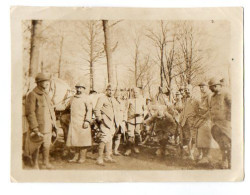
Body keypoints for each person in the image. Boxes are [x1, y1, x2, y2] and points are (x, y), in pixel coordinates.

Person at [25, 73, 57, 169]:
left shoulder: (46, 95)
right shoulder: (32, 94)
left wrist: (53, 124)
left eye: (47, 81)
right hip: (38, 127)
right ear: (38, 83)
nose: (47, 83)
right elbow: (30, 112)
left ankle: (45, 162)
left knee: (46, 145)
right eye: (44, 81)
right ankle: (35, 164)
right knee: (36, 145)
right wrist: (34, 128)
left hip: (48, 126)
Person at [66, 81, 92, 163]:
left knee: (83, 141)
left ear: (84, 89)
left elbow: (89, 110)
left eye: (81, 88)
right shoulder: (72, 98)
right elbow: (67, 108)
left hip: (83, 122)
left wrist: (87, 121)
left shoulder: (87, 98)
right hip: (74, 123)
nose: (79, 89)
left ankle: (82, 157)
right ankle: (75, 157)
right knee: (75, 140)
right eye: (77, 87)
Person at [208, 78, 231, 168]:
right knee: (221, 144)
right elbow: (211, 109)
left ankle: (230, 162)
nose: (210, 89)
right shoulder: (212, 97)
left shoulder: (226, 94)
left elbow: (233, 106)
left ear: (217, 86)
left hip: (225, 125)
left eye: (212, 87)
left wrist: (228, 120)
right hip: (216, 124)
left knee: (227, 144)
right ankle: (224, 161)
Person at [94, 84, 117, 166]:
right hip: (104, 121)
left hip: (112, 122)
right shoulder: (102, 98)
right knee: (104, 138)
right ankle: (99, 158)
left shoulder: (114, 100)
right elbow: (97, 109)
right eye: (109, 90)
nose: (111, 92)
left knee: (110, 138)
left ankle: (107, 156)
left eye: (113, 90)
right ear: (106, 90)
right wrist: (99, 118)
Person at [124, 87, 146, 156]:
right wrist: (125, 119)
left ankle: (136, 147)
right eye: (134, 92)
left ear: (139, 93)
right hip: (130, 120)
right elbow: (126, 110)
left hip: (139, 120)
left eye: (136, 92)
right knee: (130, 135)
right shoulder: (129, 100)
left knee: (137, 134)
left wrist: (142, 114)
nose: (135, 93)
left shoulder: (142, 100)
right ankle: (128, 149)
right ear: (132, 93)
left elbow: (146, 110)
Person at [180, 85, 200, 160]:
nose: (187, 91)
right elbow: (184, 110)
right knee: (188, 138)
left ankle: (194, 152)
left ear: (192, 90)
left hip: (193, 121)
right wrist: (181, 119)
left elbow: (199, 110)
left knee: (194, 138)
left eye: (188, 90)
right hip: (185, 121)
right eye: (186, 90)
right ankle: (190, 154)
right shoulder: (185, 100)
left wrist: (196, 119)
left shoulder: (196, 99)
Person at [196, 82, 213, 164]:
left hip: (207, 119)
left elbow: (211, 109)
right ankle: (204, 156)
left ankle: (206, 157)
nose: (201, 88)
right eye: (200, 87)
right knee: (201, 138)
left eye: (203, 87)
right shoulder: (203, 96)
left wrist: (204, 116)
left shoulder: (209, 96)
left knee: (205, 137)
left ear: (207, 87)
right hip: (201, 118)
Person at [113, 89, 127, 156]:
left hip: (120, 122)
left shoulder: (123, 103)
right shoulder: (112, 101)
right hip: (113, 122)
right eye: (117, 95)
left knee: (118, 136)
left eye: (119, 95)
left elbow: (125, 112)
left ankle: (115, 150)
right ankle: (108, 150)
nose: (118, 96)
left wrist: (124, 120)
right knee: (111, 136)